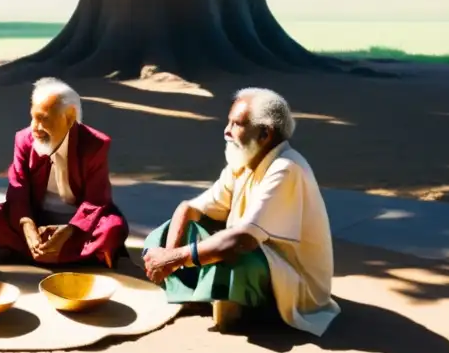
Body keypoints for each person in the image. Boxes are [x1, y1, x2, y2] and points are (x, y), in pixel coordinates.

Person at [142, 88, 340, 335]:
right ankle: (204, 291)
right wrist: (168, 254)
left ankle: (235, 305)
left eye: (236, 124)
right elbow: (189, 208)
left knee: (231, 257)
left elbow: (243, 238)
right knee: (162, 235)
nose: (226, 131)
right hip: (255, 252)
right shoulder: (243, 163)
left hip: (290, 279)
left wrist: (175, 259)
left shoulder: (286, 168)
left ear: (265, 133)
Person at [0, 77, 129, 267]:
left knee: (112, 228)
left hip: (79, 223)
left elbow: (96, 199)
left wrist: (69, 231)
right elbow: (18, 191)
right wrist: (28, 227)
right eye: (33, 117)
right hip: (37, 217)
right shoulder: (24, 140)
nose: (35, 128)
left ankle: (40, 254)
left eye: (43, 119)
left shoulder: (95, 144)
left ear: (69, 118)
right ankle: (65, 255)